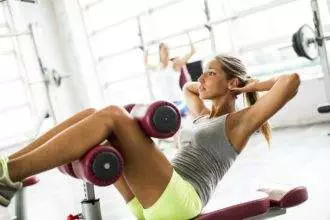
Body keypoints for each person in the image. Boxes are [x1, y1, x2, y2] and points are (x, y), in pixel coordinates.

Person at [0, 54, 300, 220]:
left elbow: (290, 81)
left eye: (210, 73)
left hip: (181, 201)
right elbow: (188, 89)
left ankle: (8, 174)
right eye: (204, 72)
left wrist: (246, 87)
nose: (201, 78)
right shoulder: (202, 115)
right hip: (152, 200)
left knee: (113, 115)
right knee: (91, 112)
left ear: (231, 82)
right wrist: (214, 84)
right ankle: (10, 165)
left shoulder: (240, 122)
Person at [145, 41, 195, 106]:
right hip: (164, 103)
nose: (167, 51)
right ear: (160, 52)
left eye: (168, 49)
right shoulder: (157, 67)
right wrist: (147, 49)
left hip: (177, 101)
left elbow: (191, 53)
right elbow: (146, 64)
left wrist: (191, 47)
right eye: (164, 49)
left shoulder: (174, 65)